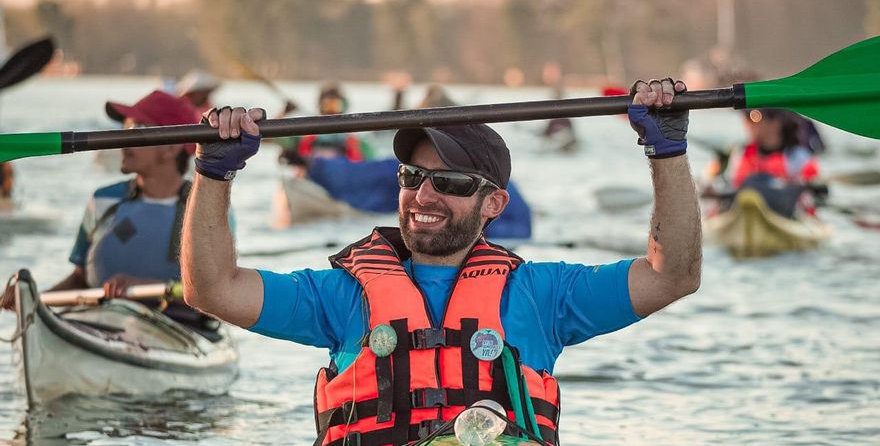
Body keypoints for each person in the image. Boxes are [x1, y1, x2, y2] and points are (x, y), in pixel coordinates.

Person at [181, 78, 701, 445]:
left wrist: (668, 153)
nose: (423, 196)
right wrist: (213, 176)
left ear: (494, 204)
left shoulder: (543, 295)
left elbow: (671, 274)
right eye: (412, 177)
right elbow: (213, 290)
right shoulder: (341, 295)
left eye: (450, 183)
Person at [1, 90, 218, 336]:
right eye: (123, 127)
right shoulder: (103, 199)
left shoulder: (204, 206)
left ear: (170, 148)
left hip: (179, 331)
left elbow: (219, 292)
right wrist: (32, 300)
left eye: (136, 128)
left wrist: (141, 286)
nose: (122, 139)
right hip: (98, 323)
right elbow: (80, 280)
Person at [708, 108, 822, 218]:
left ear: (776, 122)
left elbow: (817, 192)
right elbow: (725, 185)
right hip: (745, 212)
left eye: (754, 116)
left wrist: (803, 186)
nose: (747, 124)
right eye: (745, 117)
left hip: (786, 212)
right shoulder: (739, 154)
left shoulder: (799, 158)